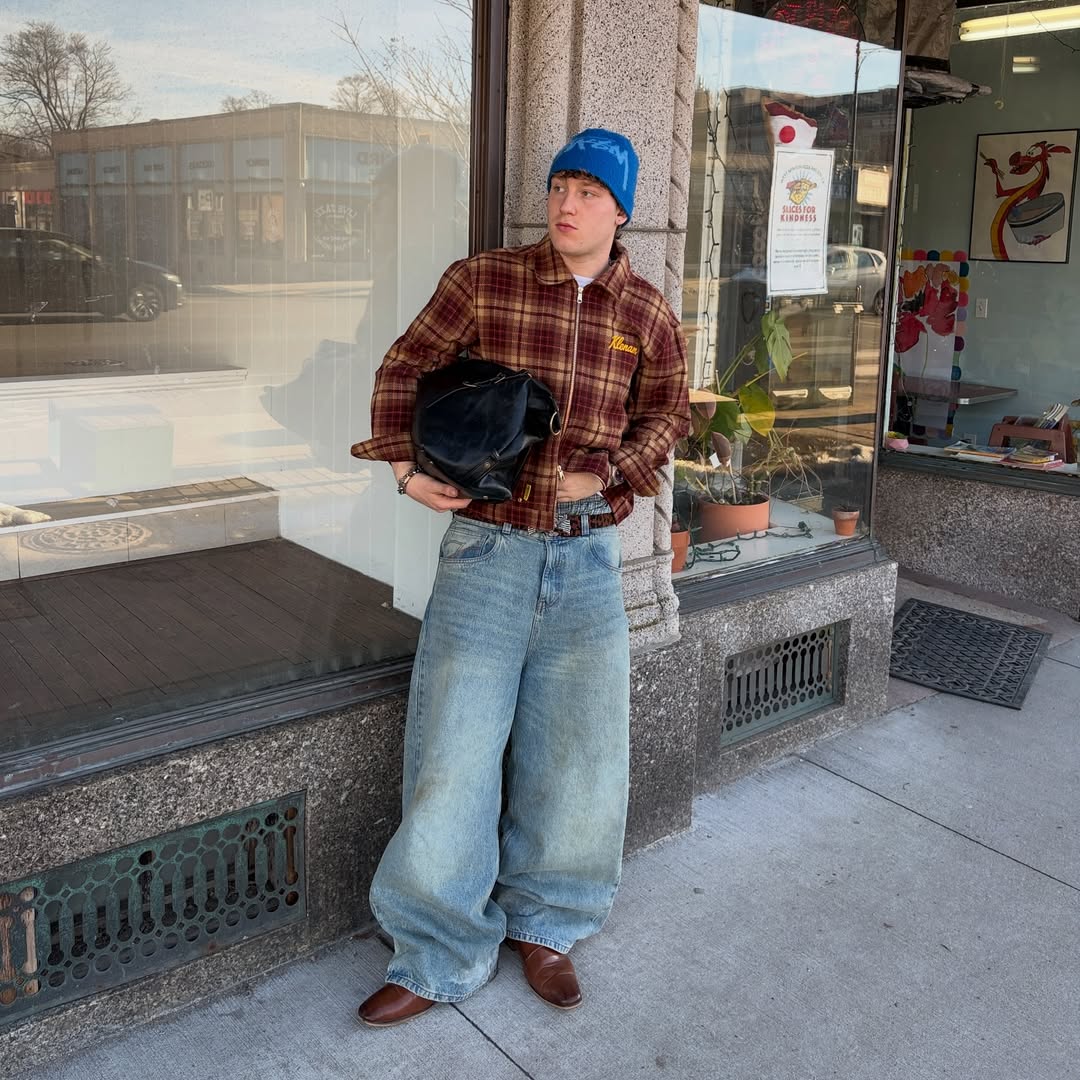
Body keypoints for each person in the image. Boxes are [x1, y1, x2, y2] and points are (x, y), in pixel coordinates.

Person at [350, 127, 690, 1027]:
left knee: (578, 756)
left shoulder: (646, 311)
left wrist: (613, 472)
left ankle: (550, 923)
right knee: (452, 754)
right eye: (558, 186)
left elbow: (668, 409)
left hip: (585, 559)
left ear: (622, 209)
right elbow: (405, 367)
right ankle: (436, 950)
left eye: (588, 189)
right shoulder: (485, 282)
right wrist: (401, 464)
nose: (567, 203)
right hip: (489, 551)